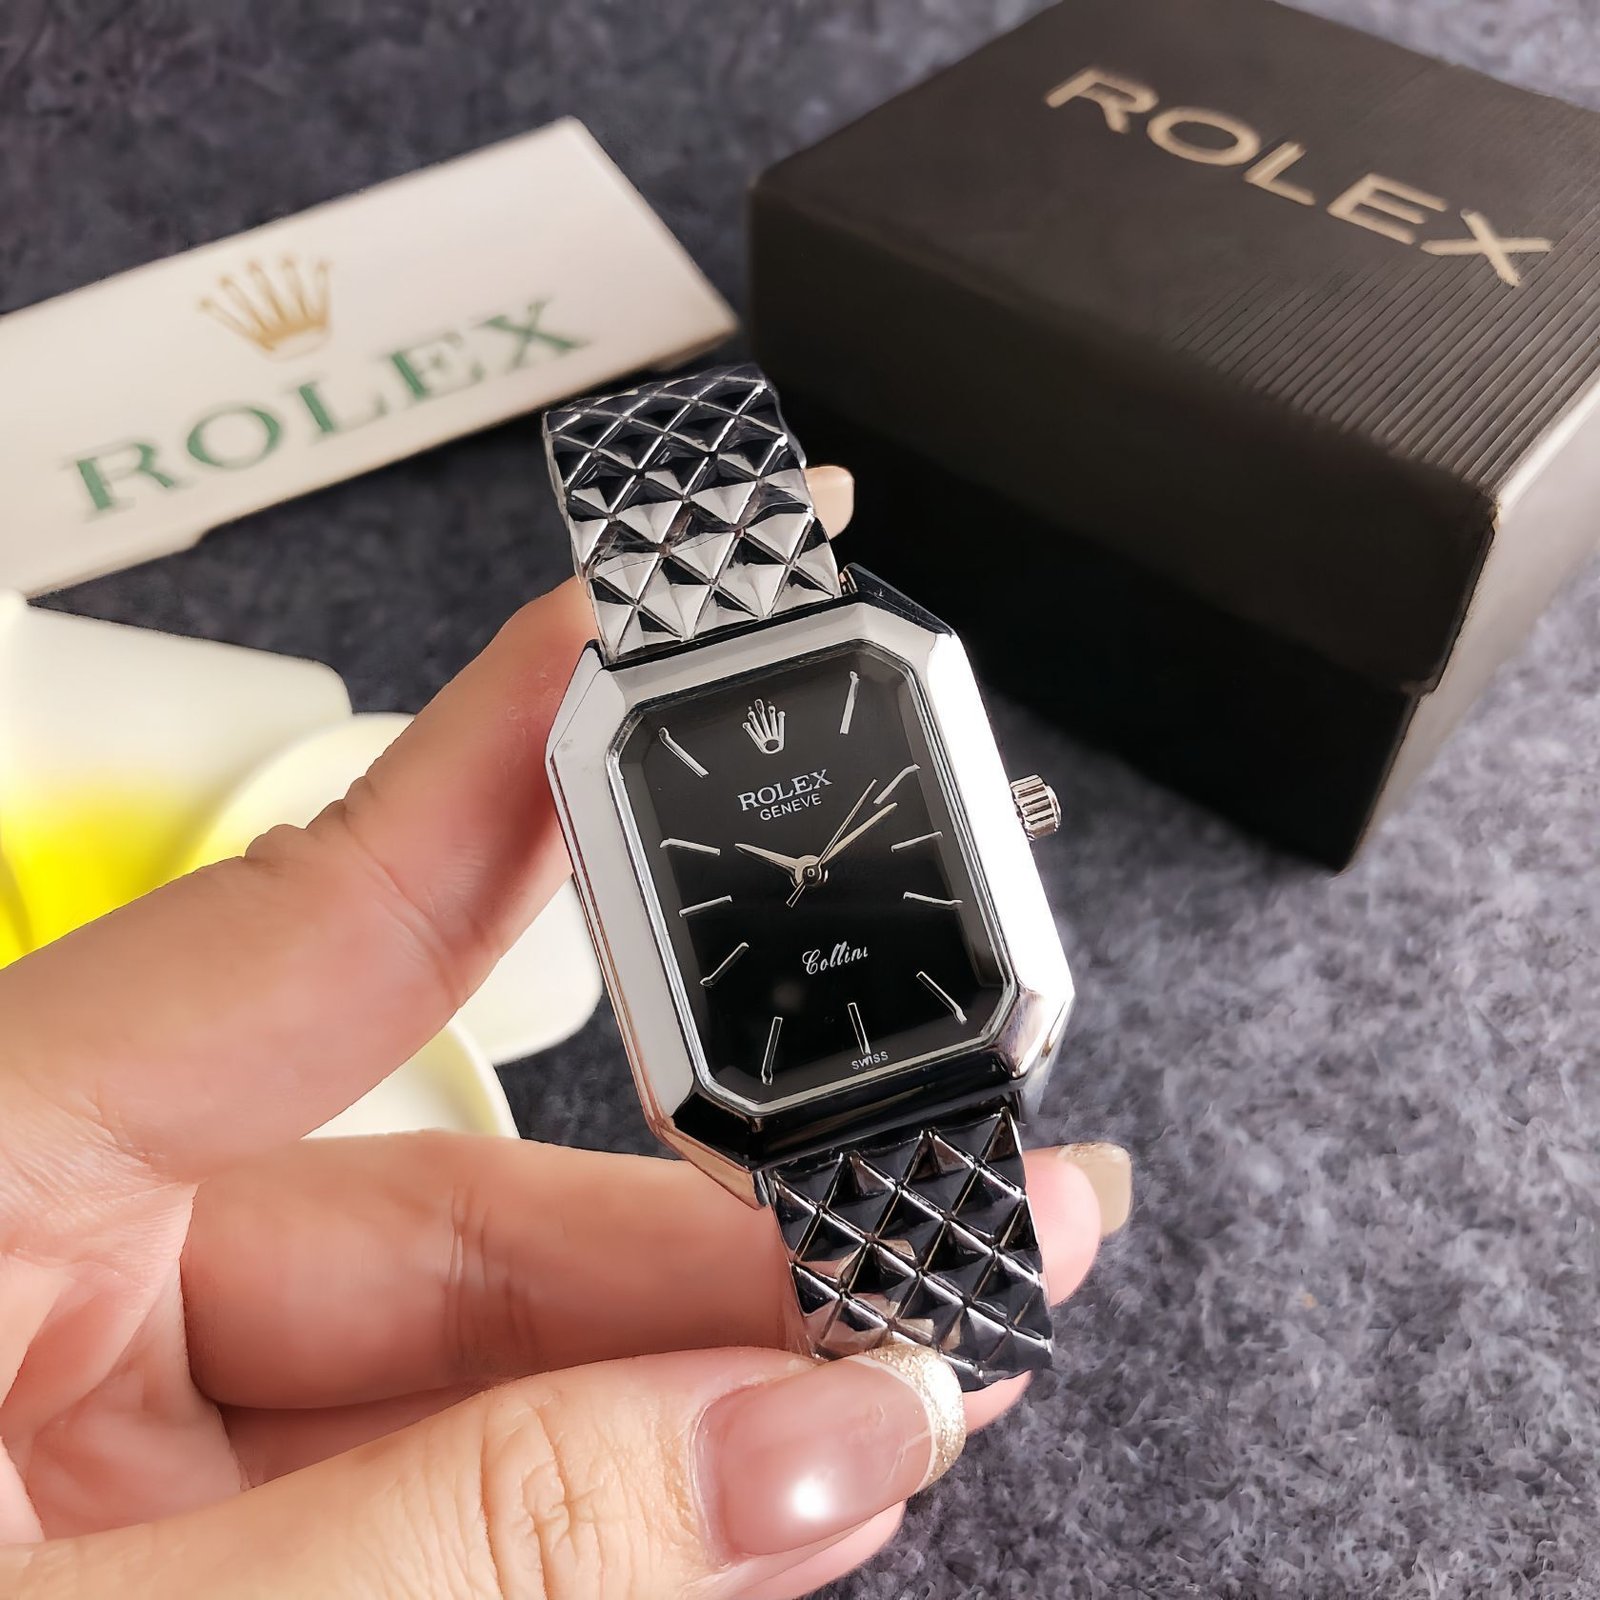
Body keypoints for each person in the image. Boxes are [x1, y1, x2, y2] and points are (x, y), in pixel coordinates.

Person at [0, 566, 1118, 1598]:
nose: (814, 876)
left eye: (822, 869)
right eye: (798, 874)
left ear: (1000, 809)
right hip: (809, 1097)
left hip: (902, 1061)